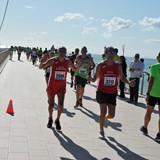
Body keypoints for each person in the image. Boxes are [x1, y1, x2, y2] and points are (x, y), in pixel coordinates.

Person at [88, 46, 135, 139]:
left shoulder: (118, 65)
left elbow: (121, 77)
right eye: (109, 53)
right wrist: (90, 79)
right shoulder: (101, 65)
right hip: (101, 91)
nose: (111, 55)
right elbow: (95, 78)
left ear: (115, 54)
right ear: (105, 54)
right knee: (103, 112)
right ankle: (101, 131)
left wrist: (129, 83)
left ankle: (106, 118)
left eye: (113, 53)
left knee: (112, 115)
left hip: (112, 92)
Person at [39, 47, 81, 130]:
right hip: (52, 86)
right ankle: (50, 118)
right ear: (57, 52)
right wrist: (41, 62)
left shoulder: (67, 61)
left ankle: (57, 120)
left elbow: (75, 69)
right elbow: (41, 67)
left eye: (64, 52)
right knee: (51, 104)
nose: (62, 53)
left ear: (65, 53)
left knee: (61, 105)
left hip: (61, 87)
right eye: (60, 51)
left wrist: (78, 66)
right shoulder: (53, 60)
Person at [140, 52, 160, 142]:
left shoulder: (154, 67)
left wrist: (147, 93)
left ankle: (145, 127)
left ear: (158, 57)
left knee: (149, 112)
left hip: (153, 94)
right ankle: (159, 134)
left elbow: (151, 80)